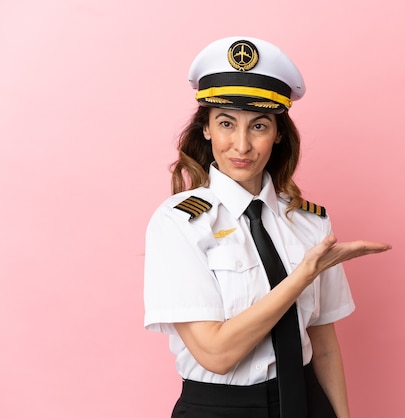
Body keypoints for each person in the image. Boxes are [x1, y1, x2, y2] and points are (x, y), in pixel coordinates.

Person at [144, 36, 391, 418]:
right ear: (206, 129)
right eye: (226, 123)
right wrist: (302, 275)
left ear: (277, 134)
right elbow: (217, 354)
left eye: (258, 126)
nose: (241, 145)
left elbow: (323, 344)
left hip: (309, 403)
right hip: (221, 409)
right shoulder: (178, 223)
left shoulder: (310, 221)